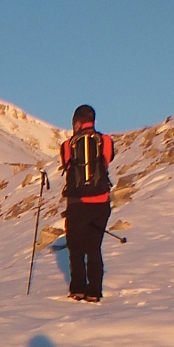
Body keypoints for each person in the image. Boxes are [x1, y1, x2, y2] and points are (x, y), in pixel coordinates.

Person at [58, 104, 114, 302]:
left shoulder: (68, 145)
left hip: (77, 204)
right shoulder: (105, 140)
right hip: (101, 203)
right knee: (94, 247)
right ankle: (95, 291)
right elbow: (108, 160)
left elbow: (67, 164)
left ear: (77, 123)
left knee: (75, 248)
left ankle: (78, 288)